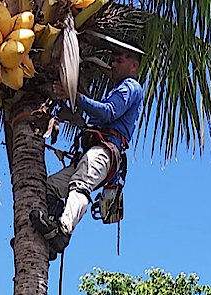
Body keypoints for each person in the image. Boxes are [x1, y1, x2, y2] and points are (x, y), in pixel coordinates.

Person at [30, 48, 144, 257]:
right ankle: (50, 232)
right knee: (51, 187)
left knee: (80, 185)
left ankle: (63, 230)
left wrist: (77, 96)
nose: (113, 65)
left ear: (133, 66)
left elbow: (109, 112)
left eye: (119, 60)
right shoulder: (118, 88)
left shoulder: (130, 87)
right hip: (90, 153)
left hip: (104, 151)